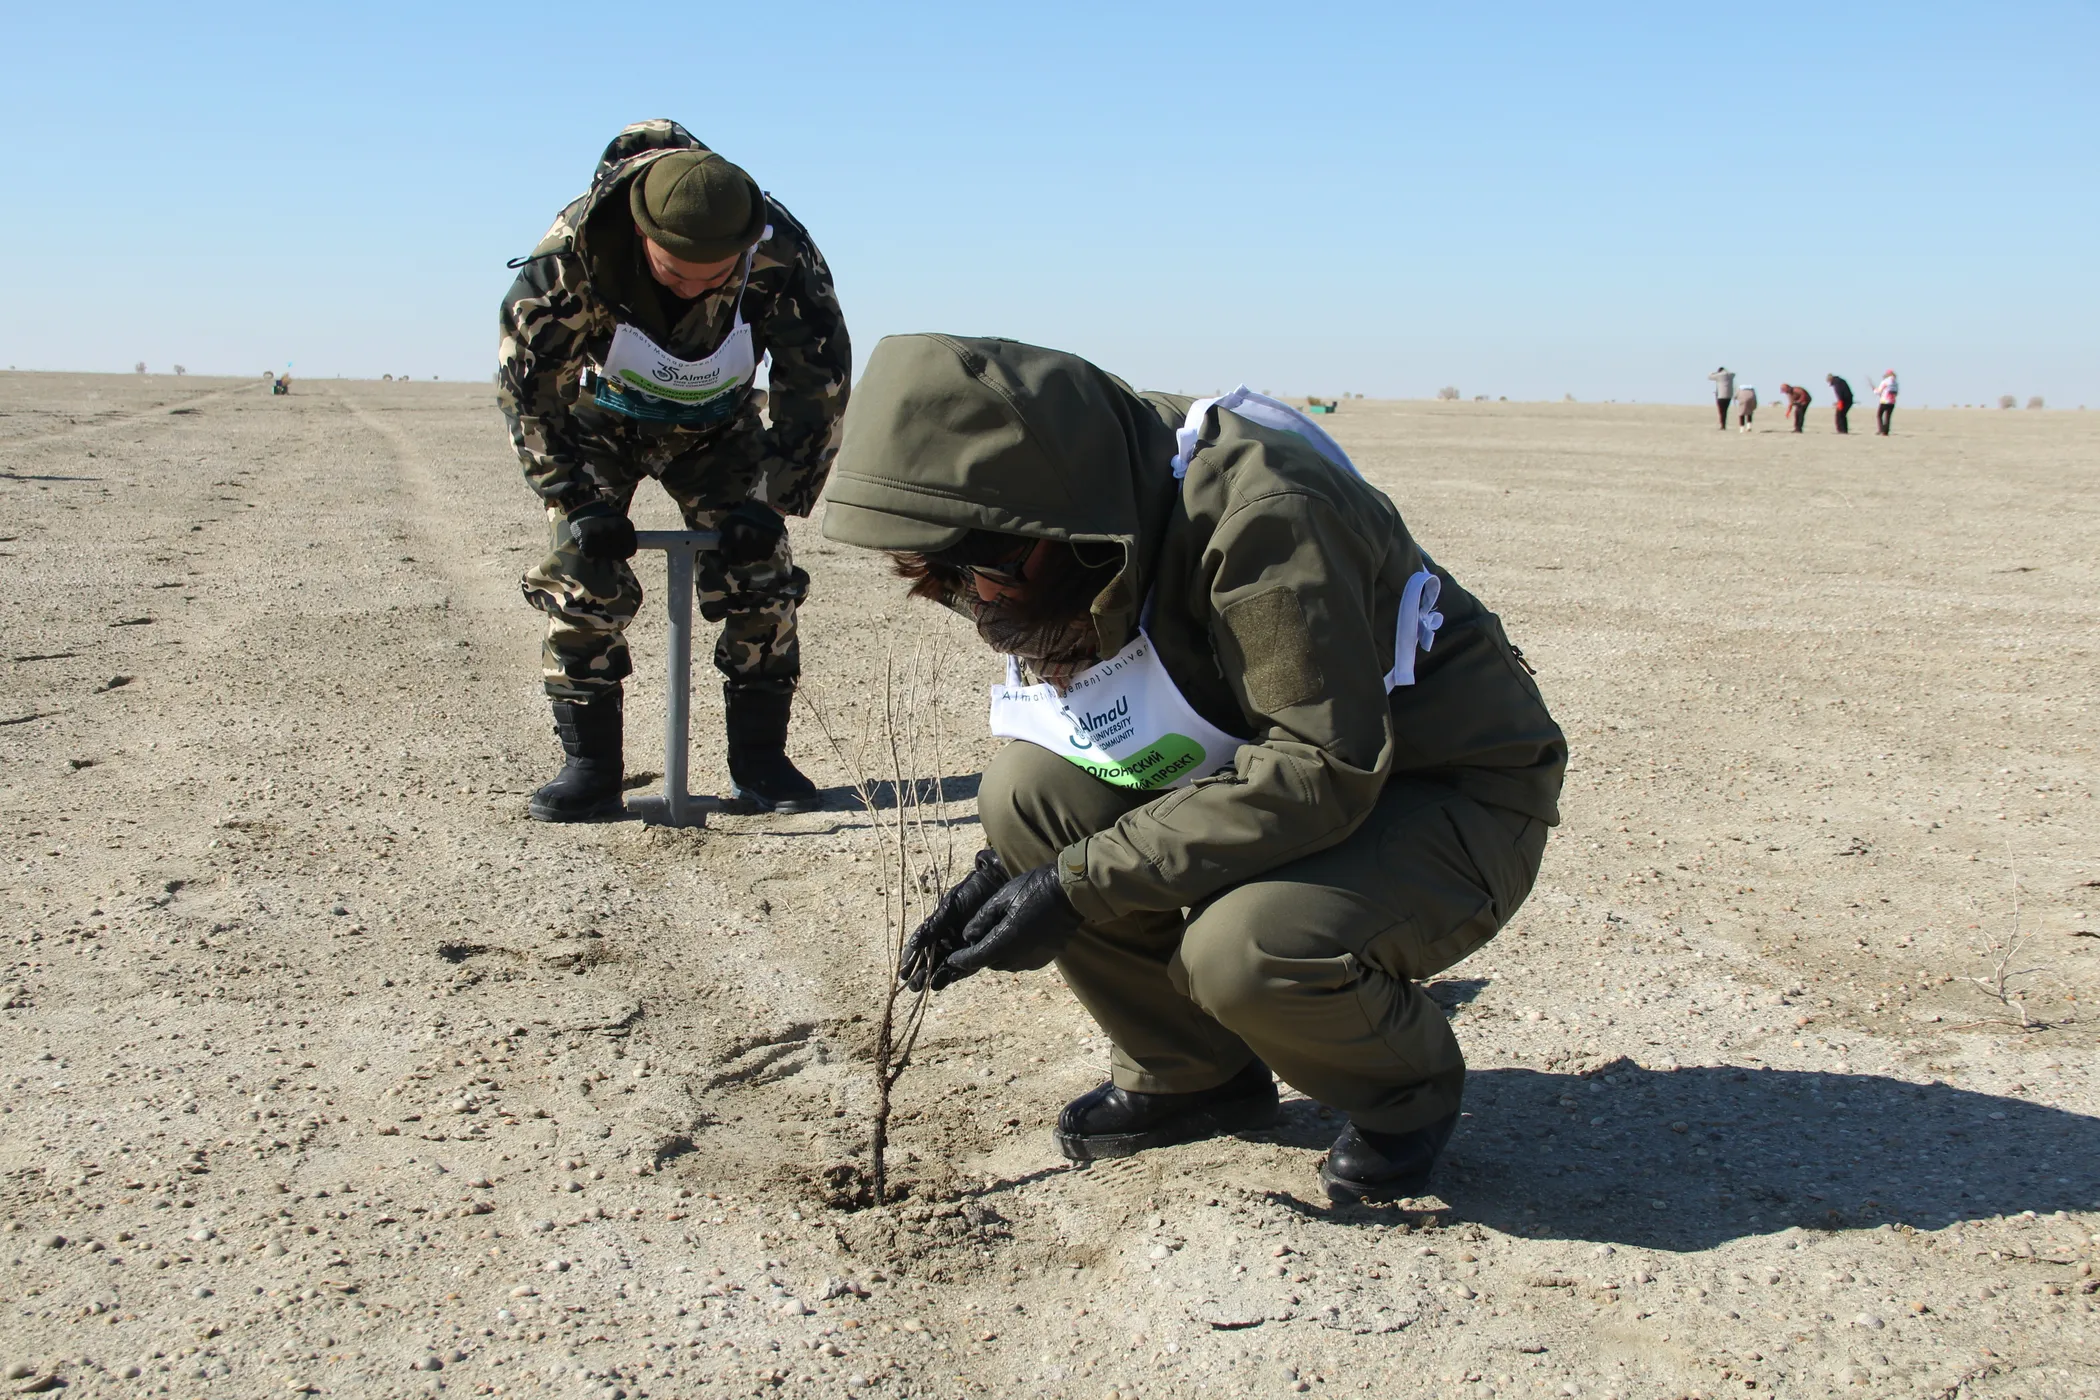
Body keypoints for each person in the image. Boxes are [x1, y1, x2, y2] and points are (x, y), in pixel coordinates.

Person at [822, 336, 1567, 1202]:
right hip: (1254, 755)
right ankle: (1192, 1075)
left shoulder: (1264, 518)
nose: (981, 596)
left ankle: (1404, 1091)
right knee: (1026, 801)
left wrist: (1074, 885)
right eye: (952, 574)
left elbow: (1321, 767)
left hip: (1439, 785)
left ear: (1056, 516)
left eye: (990, 566)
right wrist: (1011, 870)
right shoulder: (1094, 493)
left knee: (1244, 948)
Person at [498, 120, 851, 820]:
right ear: (641, 234)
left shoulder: (783, 253)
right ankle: (591, 768)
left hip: (719, 430)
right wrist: (577, 499)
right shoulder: (570, 258)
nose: (694, 289)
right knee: (582, 576)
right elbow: (529, 391)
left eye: (714, 276)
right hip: (599, 424)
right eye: (675, 272)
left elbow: (818, 383)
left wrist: (770, 499)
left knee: (761, 578)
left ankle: (762, 762)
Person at [1876, 369, 1899, 435]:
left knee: (1879, 415)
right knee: (1888, 417)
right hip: (1892, 402)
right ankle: (1886, 432)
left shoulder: (1885, 381)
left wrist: (1875, 390)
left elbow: (1878, 391)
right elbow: (1896, 393)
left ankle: (1881, 429)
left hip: (1884, 401)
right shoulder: (1896, 383)